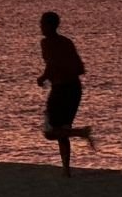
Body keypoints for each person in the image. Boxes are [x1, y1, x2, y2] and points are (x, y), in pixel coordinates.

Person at [36, 11, 95, 176]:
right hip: (75, 89)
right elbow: (79, 67)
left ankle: (81, 132)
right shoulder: (67, 42)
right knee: (62, 129)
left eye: (42, 23)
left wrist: (43, 78)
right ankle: (66, 170)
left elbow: (52, 64)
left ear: (49, 26)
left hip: (62, 90)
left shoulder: (46, 43)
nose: (40, 26)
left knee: (49, 132)